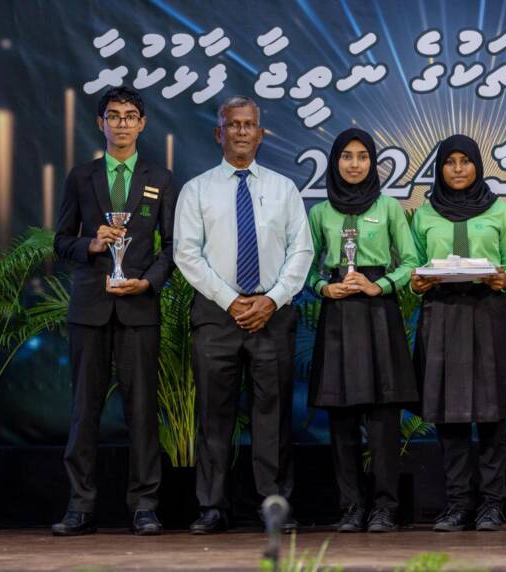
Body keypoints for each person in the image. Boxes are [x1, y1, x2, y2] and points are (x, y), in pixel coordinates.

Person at [174, 95, 313, 534]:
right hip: (217, 313)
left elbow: (302, 251)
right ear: (219, 133)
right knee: (213, 414)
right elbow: (186, 253)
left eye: (248, 124)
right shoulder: (196, 190)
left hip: (272, 313)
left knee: (273, 416)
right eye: (232, 124)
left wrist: (271, 299)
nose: (240, 131)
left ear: (260, 133)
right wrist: (230, 300)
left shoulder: (284, 189)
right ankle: (213, 507)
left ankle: (274, 504)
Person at [52, 86, 176, 536]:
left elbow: (173, 248)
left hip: (139, 308)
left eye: (129, 116)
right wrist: (91, 244)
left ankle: (144, 506)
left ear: (142, 124)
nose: (121, 123)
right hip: (90, 308)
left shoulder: (160, 178)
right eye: (113, 115)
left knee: (141, 411)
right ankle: (80, 505)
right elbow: (61, 241)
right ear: (99, 123)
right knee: (84, 410)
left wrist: (149, 282)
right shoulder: (80, 176)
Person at [306, 128, 419, 533]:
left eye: (362, 157)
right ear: (335, 162)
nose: (354, 164)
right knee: (341, 417)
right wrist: (324, 287)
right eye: (346, 156)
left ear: (373, 163)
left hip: (378, 313)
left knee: (383, 417)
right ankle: (351, 507)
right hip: (337, 314)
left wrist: (380, 285)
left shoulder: (388, 207)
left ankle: (385, 507)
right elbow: (305, 268)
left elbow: (411, 262)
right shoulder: (320, 212)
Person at [410, 134, 506, 532]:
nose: (458, 169)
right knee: (450, 414)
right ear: (439, 168)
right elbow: (415, 266)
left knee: (491, 414)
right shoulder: (425, 214)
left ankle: (492, 504)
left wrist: (504, 279)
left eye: (465, 161)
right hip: (441, 313)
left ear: (477, 165)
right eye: (449, 162)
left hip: (487, 311)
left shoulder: (500, 211)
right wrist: (417, 283)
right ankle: (458, 504)